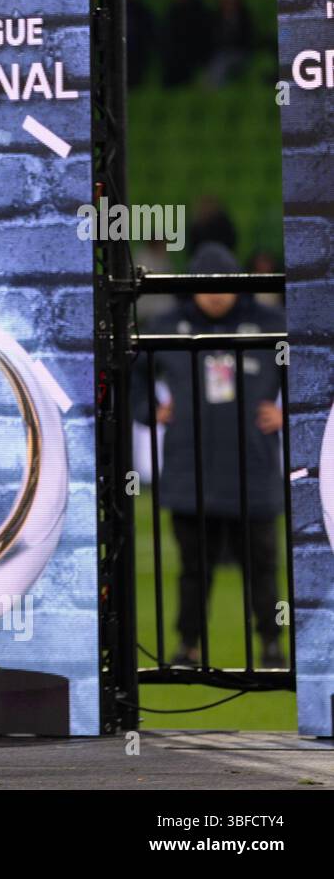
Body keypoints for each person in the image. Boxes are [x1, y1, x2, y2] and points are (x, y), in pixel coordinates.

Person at [133, 242, 286, 669]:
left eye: (225, 285)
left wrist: (286, 410)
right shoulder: (165, 326)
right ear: (192, 287)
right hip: (189, 471)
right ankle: (188, 649)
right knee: (192, 570)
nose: (216, 294)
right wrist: (149, 410)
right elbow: (130, 379)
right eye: (207, 285)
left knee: (263, 567)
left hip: (253, 472)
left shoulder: (272, 323)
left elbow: (314, 374)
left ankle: (272, 649)